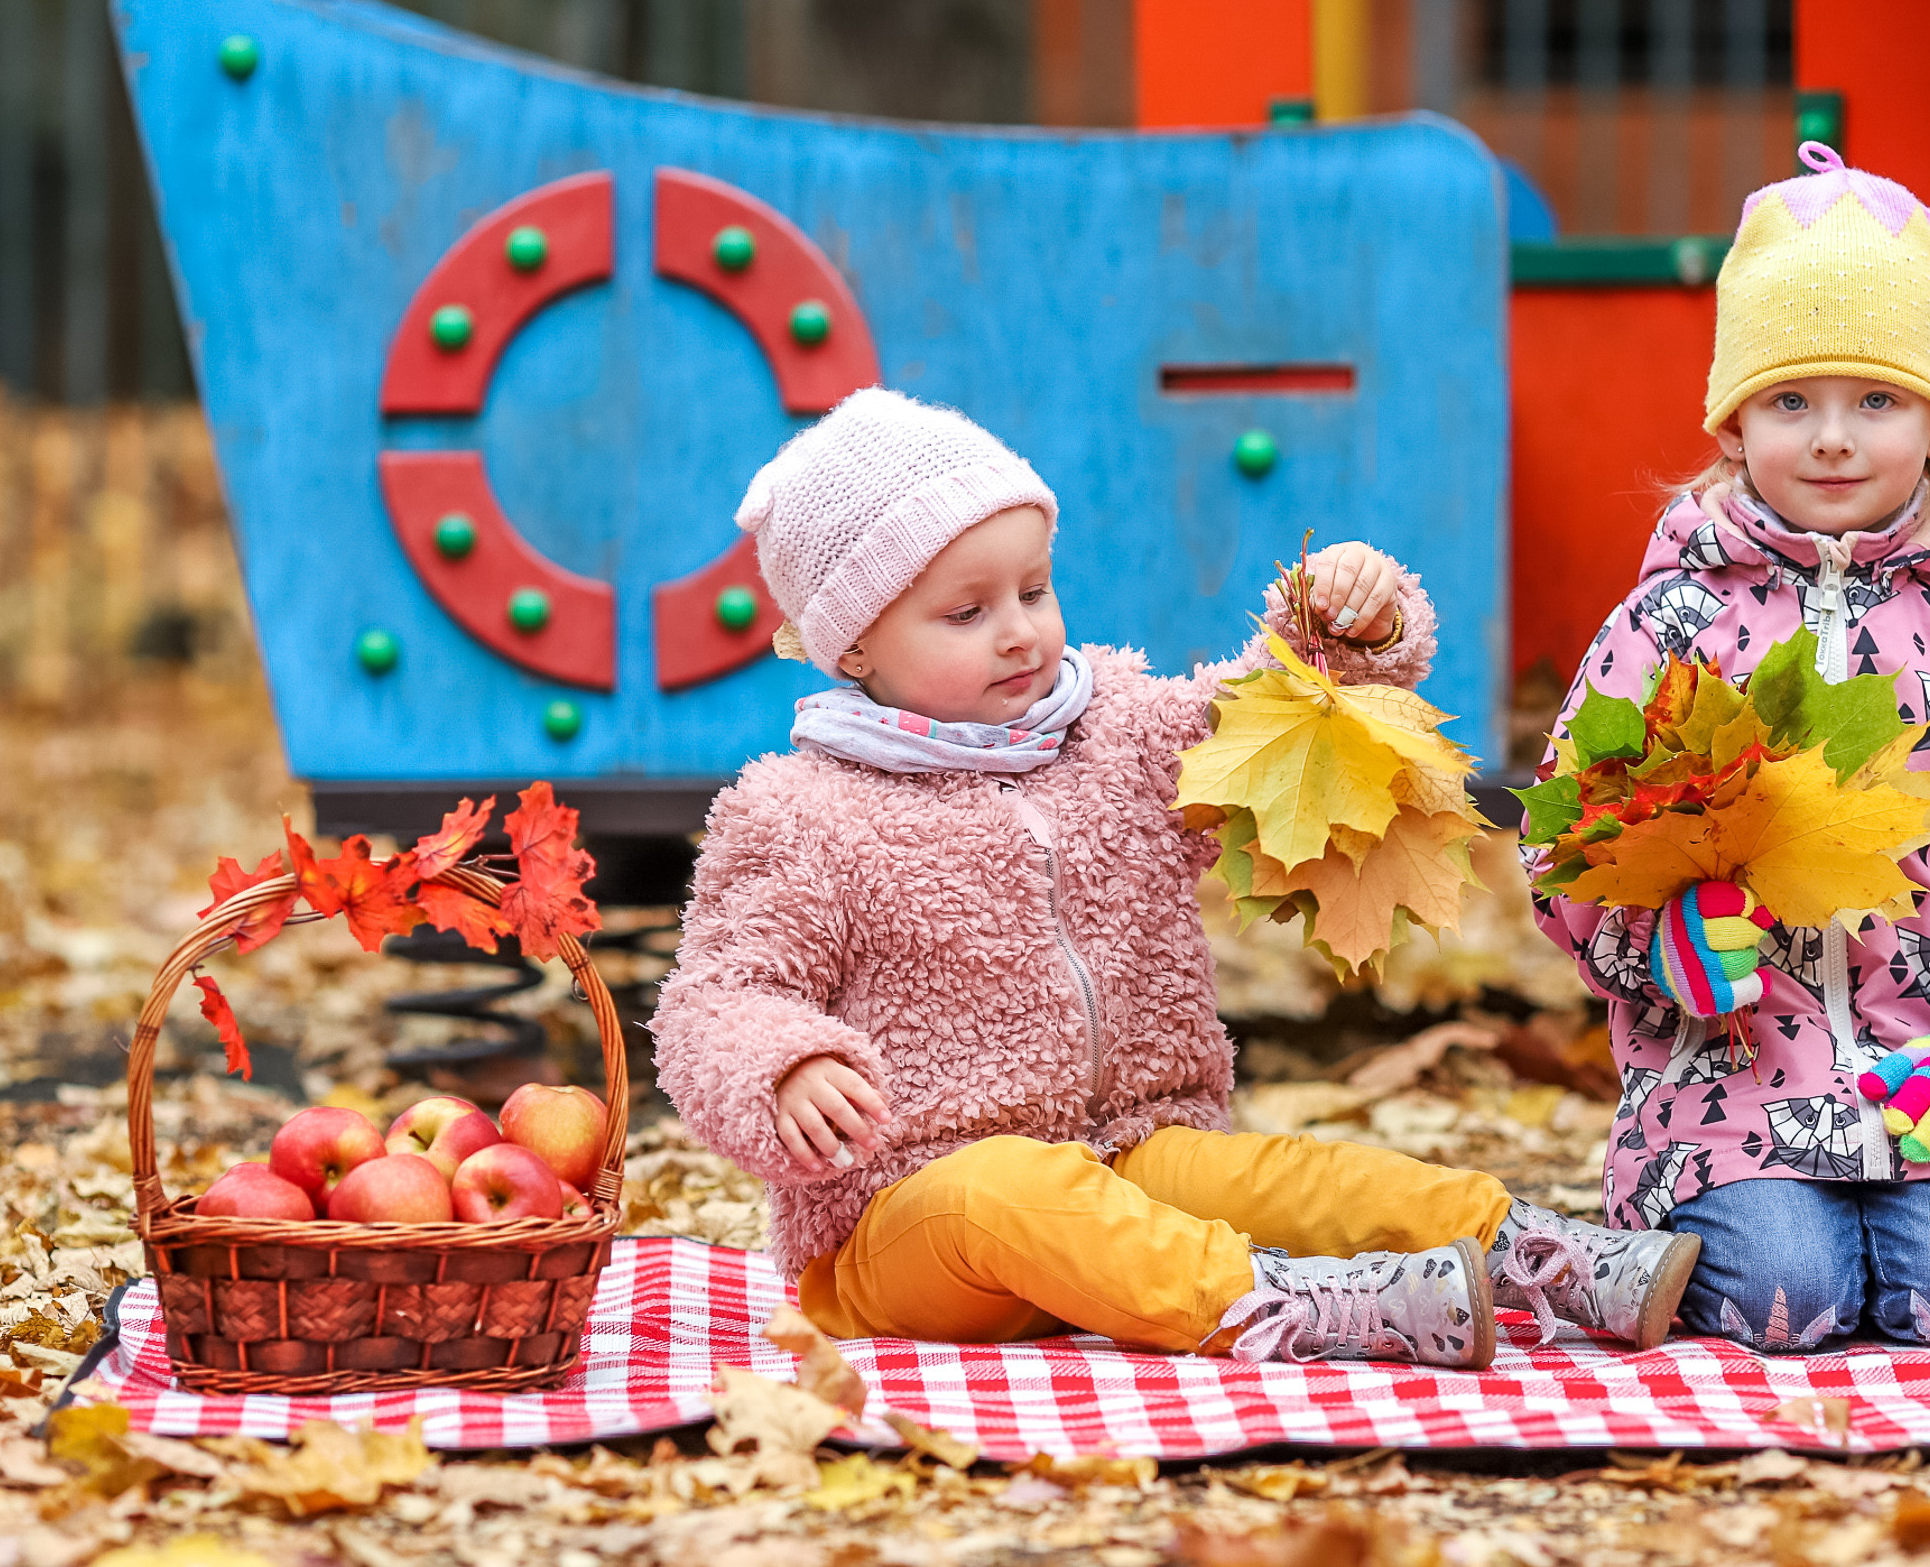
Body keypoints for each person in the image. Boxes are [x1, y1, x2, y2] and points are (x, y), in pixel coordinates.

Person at [654, 386, 1700, 1368]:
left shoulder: (1115, 733)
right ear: (852, 649)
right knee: (1006, 1188)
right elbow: (716, 1001)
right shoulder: (800, 813)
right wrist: (783, 1065)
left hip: (1133, 1150)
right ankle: (1283, 1302)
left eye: (1033, 589)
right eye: (966, 613)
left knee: (1287, 1177)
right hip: (914, 1217)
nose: (1018, 630)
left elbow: (1266, 725)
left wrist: (1344, 631)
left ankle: (1530, 1252)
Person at [1529, 143, 1930, 1351]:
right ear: (1733, 420)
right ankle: (1736, 1230)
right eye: (1791, 401)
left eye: (1877, 402)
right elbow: (1569, 843)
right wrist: (1657, 944)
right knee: (1780, 1300)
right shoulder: (1670, 622)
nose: (1833, 439)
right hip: (1730, 1089)